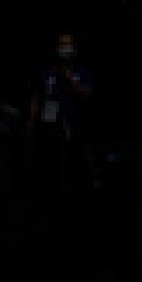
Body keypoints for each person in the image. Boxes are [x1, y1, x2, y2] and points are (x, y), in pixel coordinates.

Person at [27, 31, 96, 212]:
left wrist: (70, 81)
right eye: (62, 45)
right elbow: (37, 97)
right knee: (47, 165)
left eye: (68, 45)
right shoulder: (47, 73)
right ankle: (45, 203)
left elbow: (87, 95)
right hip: (48, 126)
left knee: (71, 166)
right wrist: (32, 122)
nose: (65, 48)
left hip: (73, 127)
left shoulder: (82, 72)